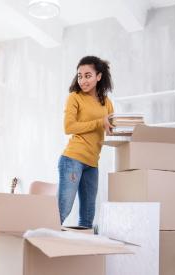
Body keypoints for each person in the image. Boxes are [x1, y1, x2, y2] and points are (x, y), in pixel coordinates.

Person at [58, 55, 114, 228]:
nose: (83, 80)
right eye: (80, 76)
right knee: (62, 210)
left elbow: (110, 128)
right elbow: (69, 127)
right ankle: (40, 248)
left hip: (92, 164)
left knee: (87, 217)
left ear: (99, 76)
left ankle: (83, 253)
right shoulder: (75, 97)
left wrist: (126, 127)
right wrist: (100, 122)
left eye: (88, 75)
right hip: (73, 159)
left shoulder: (107, 102)